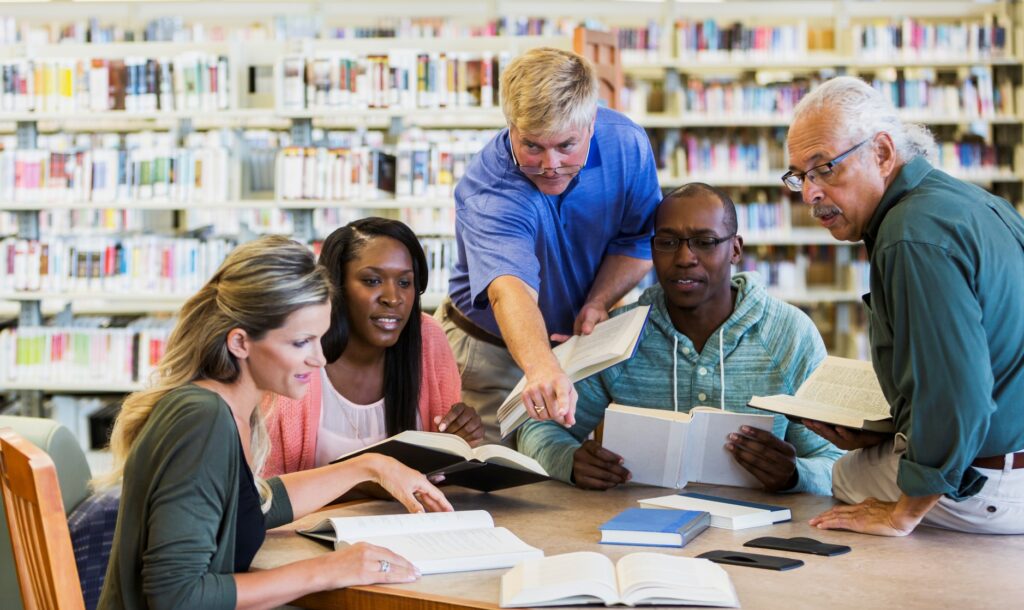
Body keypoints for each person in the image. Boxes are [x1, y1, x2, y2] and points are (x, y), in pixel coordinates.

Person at [96, 235, 452, 610]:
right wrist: (329, 570)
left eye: (321, 339)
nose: (319, 359)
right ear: (240, 343)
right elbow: (177, 597)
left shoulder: (229, 408)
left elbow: (254, 508)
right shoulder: (202, 421)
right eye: (301, 342)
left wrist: (370, 467)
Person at [784, 76, 1024, 536]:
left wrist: (903, 513)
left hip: (991, 483)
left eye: (826, 168)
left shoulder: (908, 236)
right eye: (801, 176)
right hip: (1010, 455)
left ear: (883, 153)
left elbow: (958, 392)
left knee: (843, 476)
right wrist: (893, 428)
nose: (810, 194)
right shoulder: (973, 202)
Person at [517, 183, 841, 494]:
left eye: (705, 242)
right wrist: (569, 461)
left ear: (736, 249)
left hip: (757, 535)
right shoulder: (621, 333)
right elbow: (538, 427)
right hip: (638, 527)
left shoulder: (790, 334)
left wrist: (795, 474)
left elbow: (835, 462)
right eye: (668, 243)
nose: (685, 257)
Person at [436, 47, 662, 442]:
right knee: (497, 481)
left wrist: (598, 301)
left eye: (566, 146)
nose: (549, 165)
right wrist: (541, 367)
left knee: (581, 475)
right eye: (533, 146)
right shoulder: (490, 187)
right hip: (491, 354)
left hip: (582, 348)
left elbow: (637, 240)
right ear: (511, 126)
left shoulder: (627, 145)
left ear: (591, 123)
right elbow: (511, 289)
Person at [263, 218, 483, 477]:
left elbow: (443, 477)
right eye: (372, 281)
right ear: (336, 286)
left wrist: (460, 437)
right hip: (314, 519)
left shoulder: (428, 339)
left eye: (404, 283)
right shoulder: (298, 354)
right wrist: (361, 483)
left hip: (408, 518)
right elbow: (267, 495)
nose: (393, 298)